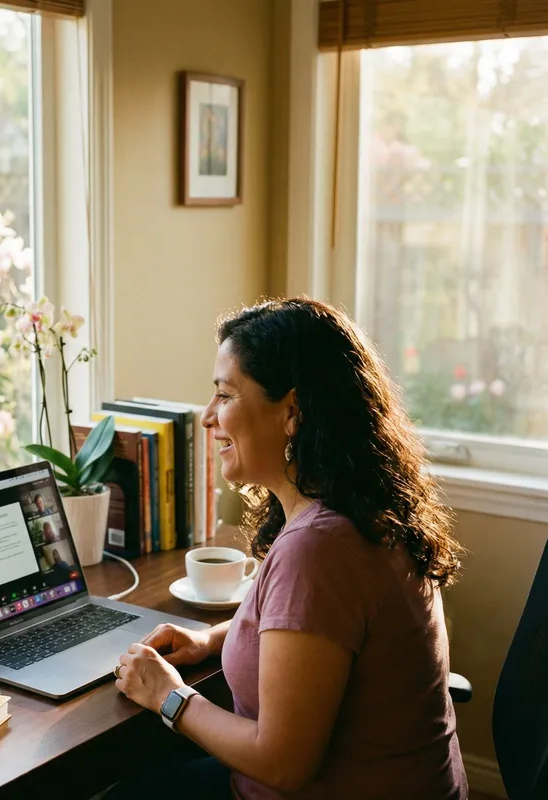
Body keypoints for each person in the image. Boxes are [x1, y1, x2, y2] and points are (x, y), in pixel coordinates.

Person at [107, 299, 468, 800]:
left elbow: (281, 764)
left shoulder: (319, 548)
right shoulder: (365, 507)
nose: (209, 416)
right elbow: (319, 632)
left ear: (293, 412)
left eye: (225, 395)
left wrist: (168, 695)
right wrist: (211, 640)